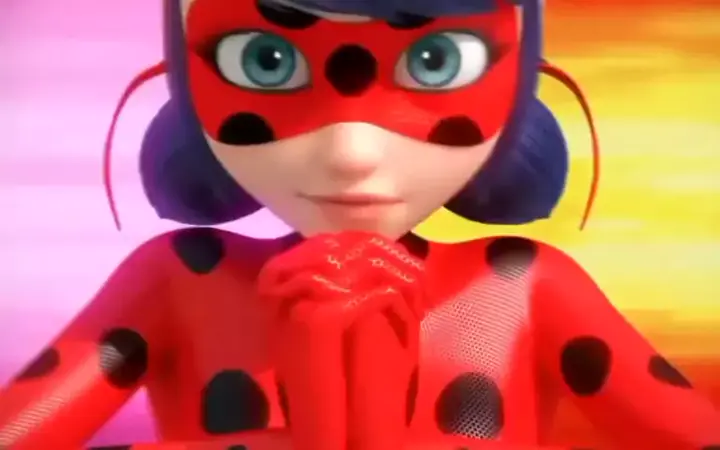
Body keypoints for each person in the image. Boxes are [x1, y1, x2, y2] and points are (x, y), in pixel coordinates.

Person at [1, 1, 718, 449]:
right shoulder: (175, 277)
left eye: (436, 61)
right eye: (265, 60)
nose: (351, 153)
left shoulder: (525, 285)